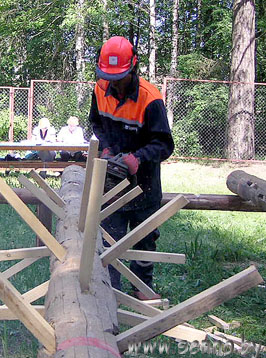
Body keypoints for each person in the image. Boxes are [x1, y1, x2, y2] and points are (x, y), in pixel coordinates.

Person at [89, 36, 174, 300]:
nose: (114, 82)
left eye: (120, 77)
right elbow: (97, 124)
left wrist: (138, 158)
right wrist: (106, 148)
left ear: (133, 68)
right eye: (109, 76)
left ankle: (142, 289)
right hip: (112, 178)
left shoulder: (150, 98)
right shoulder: (99, 90)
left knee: (145, 236)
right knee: (109, 236)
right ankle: (109, 291)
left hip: (145, 181)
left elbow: (165, 144)